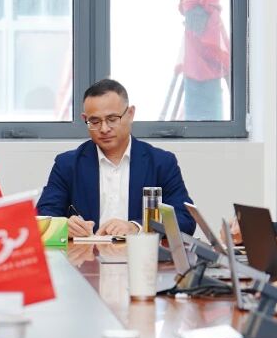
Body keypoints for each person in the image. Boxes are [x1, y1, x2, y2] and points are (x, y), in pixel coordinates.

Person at [37, 79, 195, 237]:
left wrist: (137, 227)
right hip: (87, 252)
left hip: (140, 251)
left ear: (130, 114)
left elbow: (185, 220)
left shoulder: (161, 162)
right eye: (95, 121)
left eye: (112, 119)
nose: (104, 129)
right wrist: (64, 226)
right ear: (85, 119)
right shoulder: (67, 165)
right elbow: (43, 217)